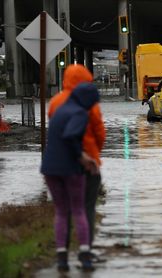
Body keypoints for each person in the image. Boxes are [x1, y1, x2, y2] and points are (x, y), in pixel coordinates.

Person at [48, 64, 106, 262]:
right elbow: (99, 133)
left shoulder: (55, 102)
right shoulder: (89, 104)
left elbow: (54, 131)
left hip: (60, 162)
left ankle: (63, 252)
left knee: (63, 210)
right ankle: (85, 251)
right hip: (86, 162)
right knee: (86, 207)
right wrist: (95, 154)